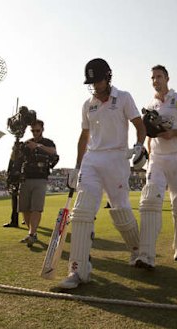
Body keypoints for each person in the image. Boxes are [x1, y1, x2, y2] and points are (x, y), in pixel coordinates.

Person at [59, 58, 146, 289]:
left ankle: (138, 250)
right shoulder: (88, 105)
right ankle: (77, 271)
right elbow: (83, 137)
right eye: (91, 82)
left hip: (117, 158)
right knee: (81, 212)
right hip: (92, 160)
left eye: (97, 80)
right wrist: (76, 167)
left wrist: (139, 146)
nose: (95, 86)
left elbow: (140, 125)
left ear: (108, 76)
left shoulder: (124, 97)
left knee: (121, 209)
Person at [136, 64, 177, 270]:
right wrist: (148, 154)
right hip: (157, 158)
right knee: (150, 198)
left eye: (159, 76)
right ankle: (146, 255)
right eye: (152, 77)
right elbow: (147, 134)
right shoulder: (150, 105)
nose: (155, 80)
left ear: (167, 78)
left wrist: (176, 133)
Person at [17, 119, 57, 246]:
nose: (35, 133)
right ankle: (32, 233)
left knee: (36, 208)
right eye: (33, 130)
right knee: (24, 209)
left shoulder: (47, 142)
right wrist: (16, 149)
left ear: (42, 130)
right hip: (26, 178)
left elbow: (53, 152)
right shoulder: (27, 143)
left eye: (37, 130)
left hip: (40, 178)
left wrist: (38, 146)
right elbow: (17, 158)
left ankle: (32, 234)